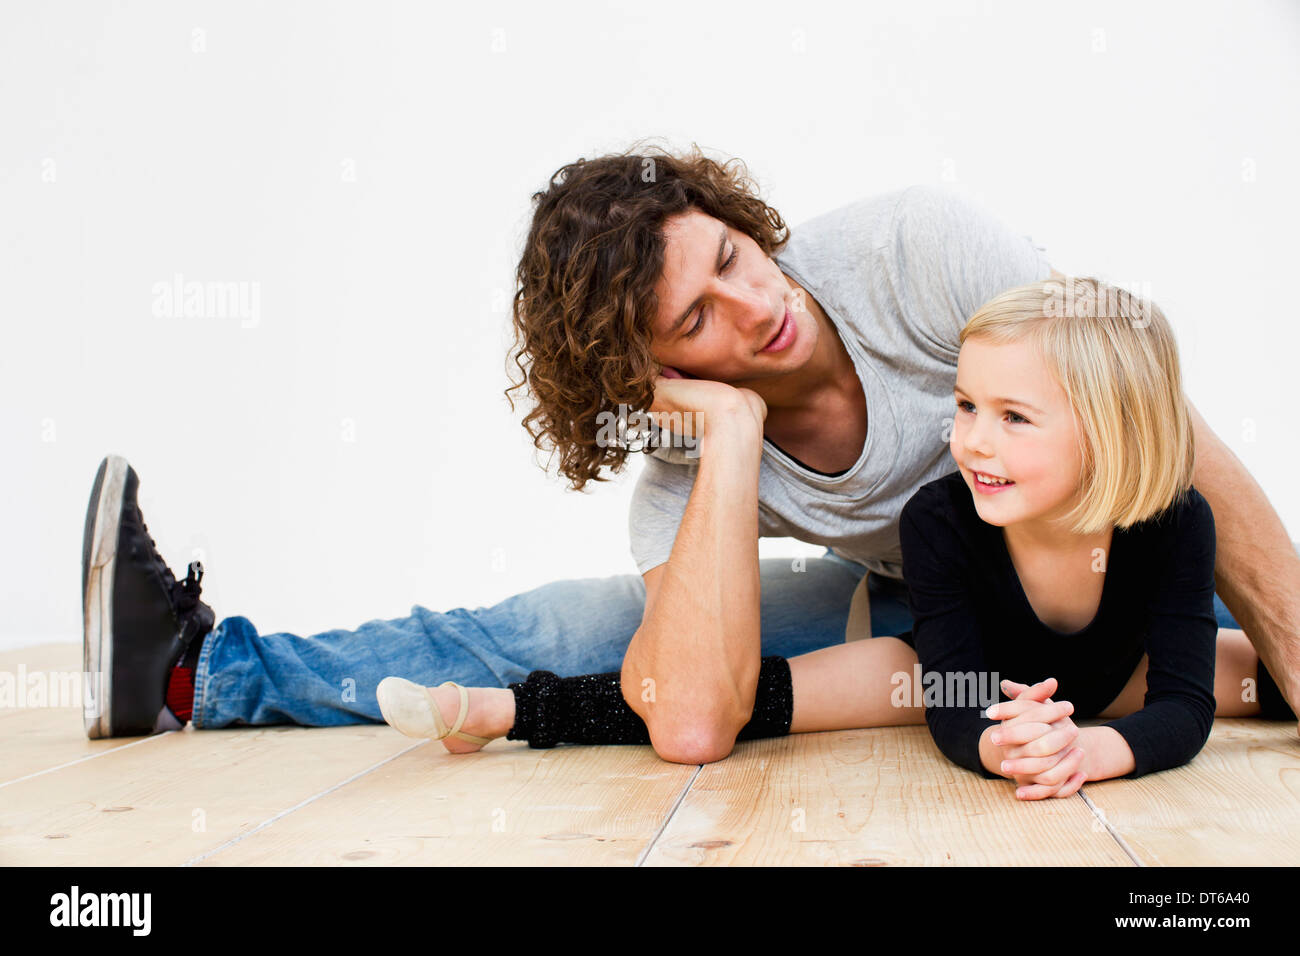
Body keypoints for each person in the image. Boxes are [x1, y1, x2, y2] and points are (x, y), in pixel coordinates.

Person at [80, 139, 1300, 742]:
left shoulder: (915, 247)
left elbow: (1163, 432)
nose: (754, 306)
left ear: (737, 215)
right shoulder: (683, 458)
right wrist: (726, 435)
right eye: (696, 323)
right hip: (920, 609)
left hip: (1087, 575)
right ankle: (196, 669)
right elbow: (693, 718)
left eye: (731, 257)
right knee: (553, 629)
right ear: (648, 369)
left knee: (1241, 674)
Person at [375, 277, 1296, 799]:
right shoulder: (941, 518)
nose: (973, 438)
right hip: (944, 666)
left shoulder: (1176, 523)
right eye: (966, 404)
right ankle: (506, 710)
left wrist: (1096, 749)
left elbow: (1181, 706)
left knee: (1268, 676)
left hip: (1117, 672)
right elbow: (950, 697)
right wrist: (995, 743)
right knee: (765, 696)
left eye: (1014, 417)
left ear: (1115, 429)